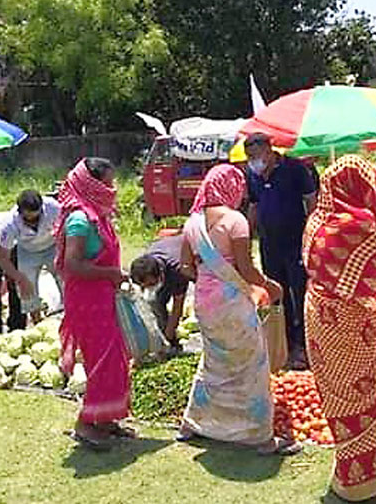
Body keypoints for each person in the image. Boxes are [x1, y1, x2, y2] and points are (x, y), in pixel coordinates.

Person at [304, 155, 376, 501]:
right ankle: (368, 479)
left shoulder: (318, 221)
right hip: (352, 325)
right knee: (364, 390)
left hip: (321, 322)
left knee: (339, 396)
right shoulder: (359, 226)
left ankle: (351, 472)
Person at [176, 164, 300, 455]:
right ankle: (260, 437)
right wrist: (271, 286)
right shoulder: (236, 221)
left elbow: (185, 266)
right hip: (231, 303)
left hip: (204, 302)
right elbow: (245, 269)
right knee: (251, 365)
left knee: (213, 362)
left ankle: (194, 424)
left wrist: (208, 280)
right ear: (232, 188)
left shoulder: (192, 222)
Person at [54, 157, 132, 450]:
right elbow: (72, 264)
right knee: (100, 360)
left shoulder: (97, 214)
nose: (112, 188)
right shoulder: (79, 219)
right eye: (108, 183)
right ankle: (86, 424)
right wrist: (109, 273)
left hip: (103, 297)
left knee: (115, 359)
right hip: (87, 301)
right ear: (93, 184)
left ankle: (107, 418)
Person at [245, 132, 317, 370]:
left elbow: (311, 202)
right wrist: (246, 235)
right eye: (249, 157)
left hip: (295, 242)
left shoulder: (295, 169)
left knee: (300, 292)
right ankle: (283, 343)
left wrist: (312, 233)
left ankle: (304, 345)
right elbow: (254, 206)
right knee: (276, 292)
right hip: (269, 243)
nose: (253, 161)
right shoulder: (252, 176)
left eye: (256, 156)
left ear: (269, 151)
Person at [0, 189, 62, 322]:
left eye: (36, 218)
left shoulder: (54, 208)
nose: (33, 222)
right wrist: (20, 278)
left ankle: (73, 317)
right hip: (28, 250)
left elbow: (67, 229)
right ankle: (37, 322)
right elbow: (2, 257)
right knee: (27, 291)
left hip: (53, 245)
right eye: (28, 220)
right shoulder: (9, 224)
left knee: (66, 280)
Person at [129, 234, 191, 352]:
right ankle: (165, 338)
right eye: (144, 286)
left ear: (161, 275)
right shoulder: (145, 264)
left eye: (151, 284)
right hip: (168, 251)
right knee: (156, 303)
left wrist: (167, 340)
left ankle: (171, 342)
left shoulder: (177, 270)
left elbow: (177, 308)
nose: (148, 288)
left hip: (190, 255)